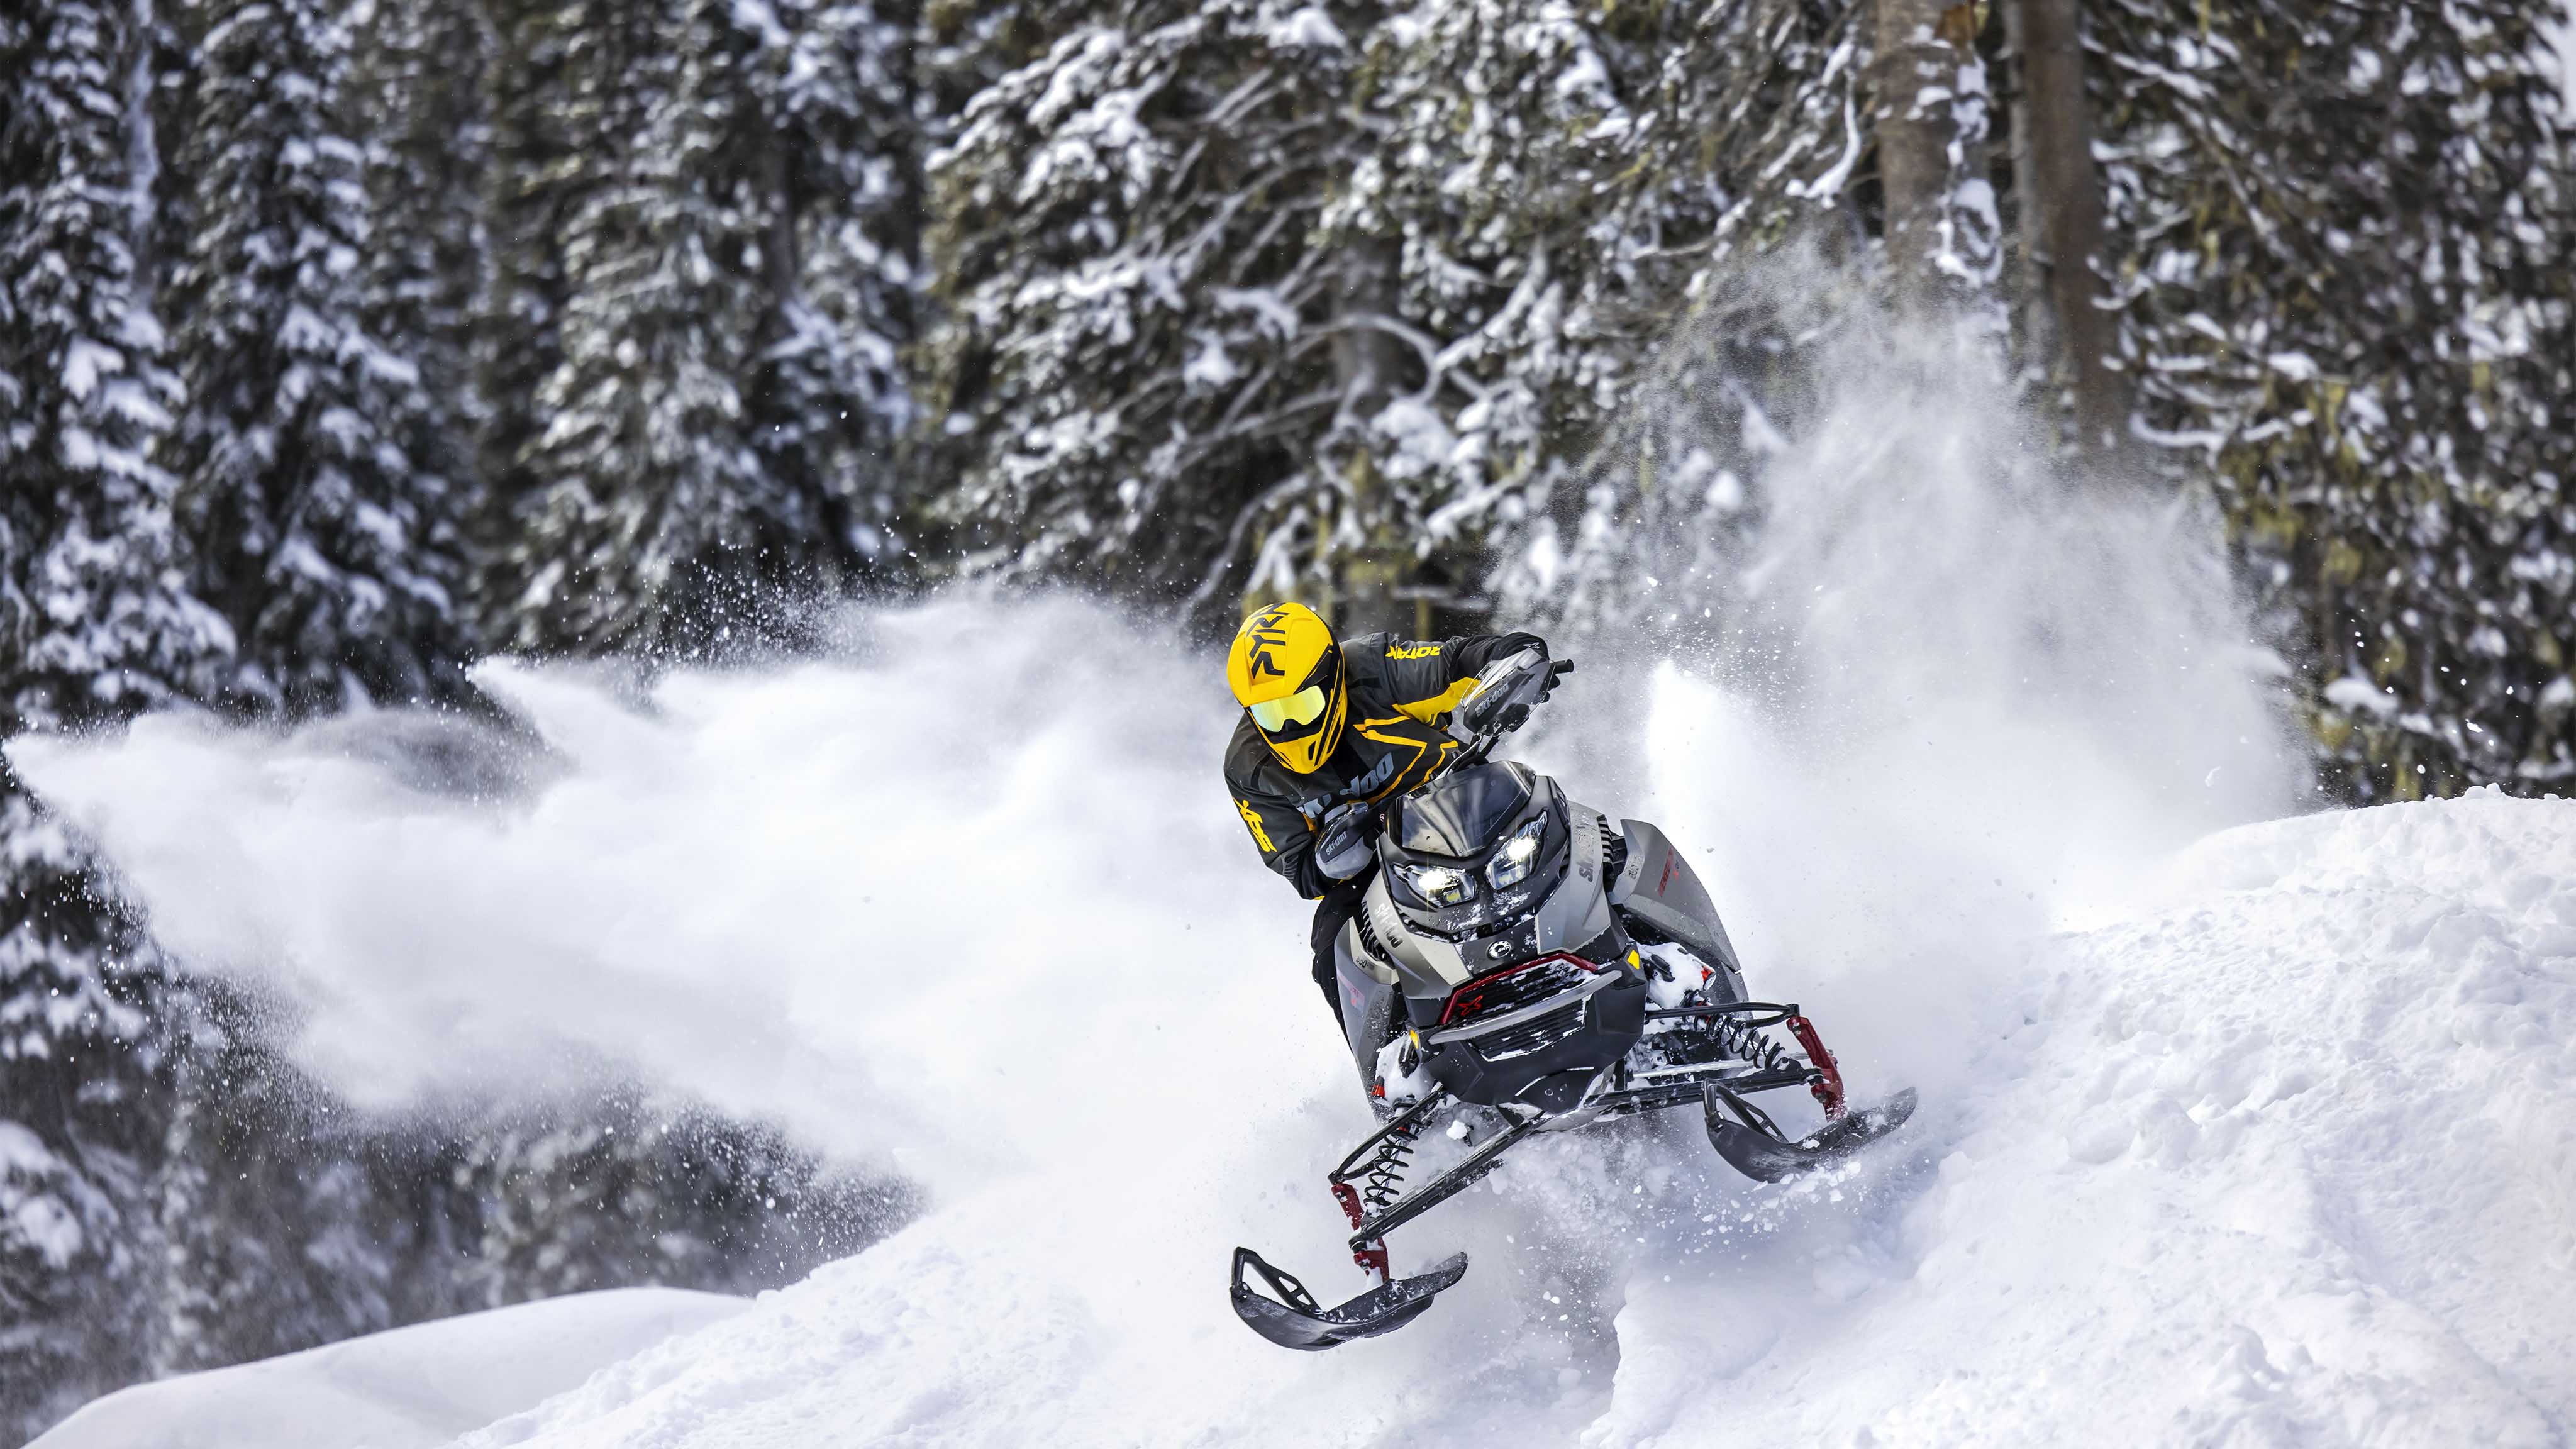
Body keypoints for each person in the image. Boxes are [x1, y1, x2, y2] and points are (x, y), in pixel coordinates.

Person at [1221, 601, 1564, 1018]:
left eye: (1302, 706)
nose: (1290, 726)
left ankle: (1654, 944)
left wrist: (1510, 655)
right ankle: (1396, 1067)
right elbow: (1300, 870)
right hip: (1371, 872)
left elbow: (1453, 662)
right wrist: (1338, 852)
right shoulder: (1248, 769)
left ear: (1331, 676)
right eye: (1271, 714)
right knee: (1334, 945)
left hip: (1463, 805)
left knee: (1565, 827)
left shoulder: (1373, 666)